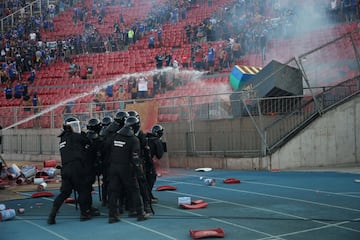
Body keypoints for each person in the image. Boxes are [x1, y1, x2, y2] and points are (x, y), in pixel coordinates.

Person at [47, 117, 95, 224]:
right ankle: (84, 214)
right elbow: (88, 141)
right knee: (83, 190)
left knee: (64, 193)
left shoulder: (62, 139)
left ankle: (52, 215)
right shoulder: (76, 137)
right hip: (76, 167)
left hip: (65, 169)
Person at [107, 116, 149, 223]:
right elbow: (135, 158)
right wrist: (140, 173)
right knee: (134, 190)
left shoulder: (115, 136)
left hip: (113, 167)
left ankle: (112, 216)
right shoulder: (134, 140)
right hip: (126, 169)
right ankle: (140, 213)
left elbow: (106, 149)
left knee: (113, 192)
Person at [145, 124, 165, 203]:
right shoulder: (156, 141)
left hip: (139, 161)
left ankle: (147, 195)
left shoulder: (145, 138)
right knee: (151, 178)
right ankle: (147, 196)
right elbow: (159, 155)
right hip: (148, 162)